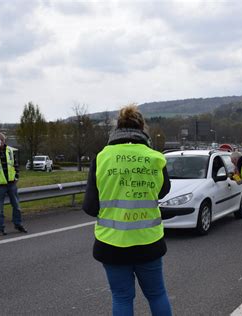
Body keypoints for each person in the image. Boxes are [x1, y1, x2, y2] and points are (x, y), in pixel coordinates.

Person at [83, 105, 172, 316]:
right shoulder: (155, 157)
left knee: (122, 297)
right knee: (157, 294)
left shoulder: (102, 158)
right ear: (142, 127)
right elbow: (163, 191)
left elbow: (90, 207)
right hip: (148, 242)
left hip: (112, 244)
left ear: (117, 127)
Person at [0, 133, 27, 236]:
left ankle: (18, 224)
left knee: (16, 205)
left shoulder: (10, 151)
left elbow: (15, 164)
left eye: (1, 141)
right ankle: (0, 228)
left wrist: (16, 176)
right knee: (0, 208)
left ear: (4, 141)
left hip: (11, 183)